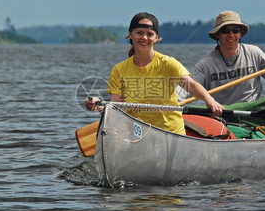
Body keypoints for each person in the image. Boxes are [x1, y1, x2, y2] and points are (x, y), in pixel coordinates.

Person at [85, 12, 223, 135]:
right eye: (139, 32)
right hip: (137, 133)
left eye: (149, 34)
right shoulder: (119, 70)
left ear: (156, 38)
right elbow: (116, 107)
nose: (144, 37)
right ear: (130, 35)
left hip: (170, 133)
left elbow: (191, 85)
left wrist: (209, 100)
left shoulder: (168, 63)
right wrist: (100, 107)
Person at [180, 10, 265, 105]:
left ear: (240, 34)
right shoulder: (205, 65)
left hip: (252, 115)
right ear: (217, 35)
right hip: (221, 118)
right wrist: (170, 102)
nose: (231, 35)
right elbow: (186, 89)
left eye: (235, 30)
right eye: (225, 30)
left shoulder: (254, 53)